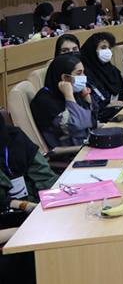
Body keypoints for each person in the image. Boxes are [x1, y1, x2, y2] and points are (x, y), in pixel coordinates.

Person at [0, 113, 59, 284]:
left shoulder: (14, 137)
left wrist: (54, 202)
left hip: (28, 214)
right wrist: (21, 231)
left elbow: (45, 177)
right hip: (12, 232)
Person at [31, 55, 96, 148]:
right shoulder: (45, 100)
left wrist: (86, 95)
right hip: (71, 151)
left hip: (86, 143)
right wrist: (69, 96)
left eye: (83, 72)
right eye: (79, 73)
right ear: (65, 78)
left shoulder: (74, 93)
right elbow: (77, 125)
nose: (84, 77)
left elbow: (93, 120)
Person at [80, 32, 123, 107]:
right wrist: (107, 106)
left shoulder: (113, 70)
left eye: (109, 48)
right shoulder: (85, 74)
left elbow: (122, 92)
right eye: (103, 48)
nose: (108, 51)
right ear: (92, 50)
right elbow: (91, 104)